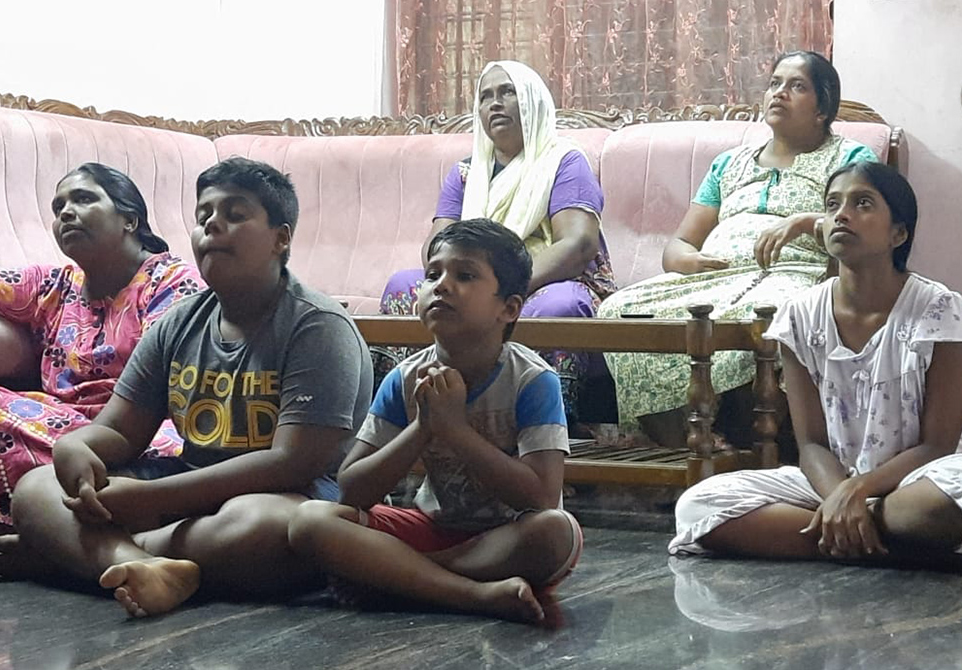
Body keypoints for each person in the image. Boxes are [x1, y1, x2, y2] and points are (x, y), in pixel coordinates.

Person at [0, 157, 373, 618]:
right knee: (36, 487)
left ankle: (72, 557)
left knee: (268, 528)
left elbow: (291, 463)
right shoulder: (178, 324)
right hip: (185, 489)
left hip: (292, 496)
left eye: (235, 215)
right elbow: (122, 431)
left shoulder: (317, 326)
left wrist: (150, 500)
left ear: (281, 238)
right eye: (204, 217)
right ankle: (142, 567)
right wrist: (77, 449)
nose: (212, 227)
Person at [287, 219, 583, 624]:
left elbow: (542, 497)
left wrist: (456, 431)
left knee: (557, 534)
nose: (441, 285)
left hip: (505, 537)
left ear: (509, 308)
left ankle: (400, 576)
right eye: (432, 274)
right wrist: (424, 426)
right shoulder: (406, 378)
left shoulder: (531, 381)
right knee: (309, 521)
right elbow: (352, 489)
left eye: (464, 275)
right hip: (433, 527)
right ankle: (469, 594)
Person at [670, 162, 962, 562]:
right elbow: (811, 445)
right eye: (832, 205)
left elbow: (937, 445)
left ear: (899, 232)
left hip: (919, 481)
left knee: (949, 494)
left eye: (862, 203)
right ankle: (884, 541)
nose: (841, 214)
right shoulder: (800, 315)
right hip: (831, 480)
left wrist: (857, 492)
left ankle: (843, 532)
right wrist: (840, 492)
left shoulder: (939, 310)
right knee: (699, 504)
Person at [597, 51, 879, 446]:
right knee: (618, 312)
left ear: (823, 108)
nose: (780, 94)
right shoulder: (728, 164)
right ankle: (679, 443)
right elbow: (677, 246)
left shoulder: (850, 158)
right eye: (775, 84)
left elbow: (866, 230)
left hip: (797, 276)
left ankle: (754, 447)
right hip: (719, 278)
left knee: (779, 313)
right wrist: (691, 262)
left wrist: (804, 222)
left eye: (797, 86)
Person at [0, 163, 202, 526]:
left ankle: (74, 514)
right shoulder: (54, 283)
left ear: (130, 220)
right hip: (59, 431)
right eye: (59, 209)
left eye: (84, 199)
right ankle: (58, 514)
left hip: (139, 433)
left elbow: (162, 389)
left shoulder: (172, 282)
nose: (66, 213)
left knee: (161, 464)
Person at [377, 60, 616, 420]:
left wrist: (504, 289)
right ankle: (407, 419)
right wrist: (472, 287)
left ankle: (548, 432)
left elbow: (577, 245)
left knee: (559, 307)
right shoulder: (466, 172)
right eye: (486, 96)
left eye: (507, 92)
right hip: (475, 283)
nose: (495, 103)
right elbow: (437, 245)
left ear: (533, 101)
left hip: (543, 282)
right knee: (402, 286)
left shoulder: (564, 162)